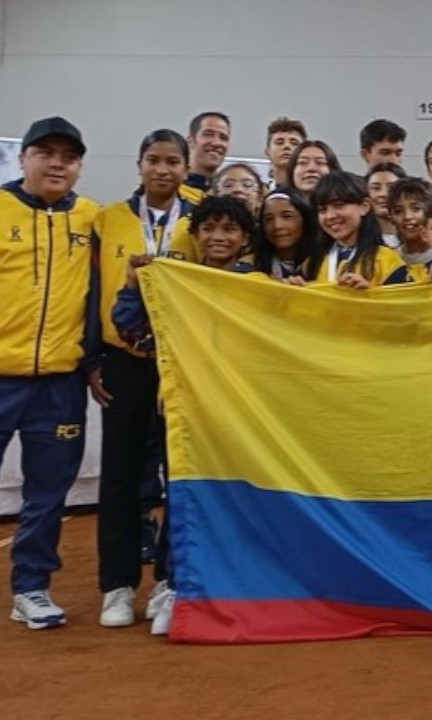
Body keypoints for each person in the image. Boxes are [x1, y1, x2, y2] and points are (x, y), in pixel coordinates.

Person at [111, 195, 256, 634]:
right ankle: (176, 583)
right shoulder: (175, 278)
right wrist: (136, 286)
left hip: (241, 412)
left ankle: (232, 584)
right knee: (184, 495)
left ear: (245, 239)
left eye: (229, 229)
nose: (218, 237)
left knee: (236, 497)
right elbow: (131, 329)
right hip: (184, 410)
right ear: (194, 236)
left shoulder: (257, 282)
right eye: (209, 228)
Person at [92, 129, 201, 631]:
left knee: (179, 474)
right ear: (138, 165)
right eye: (154, 160)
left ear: (185, 166)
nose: (163, 170)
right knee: (119, 476)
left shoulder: (200, 216)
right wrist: (92, 357)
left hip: (181, 363)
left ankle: (168, 582)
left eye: (173, 161)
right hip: (125, 362)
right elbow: (89, 289)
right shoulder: (107, 219)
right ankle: (117, 586)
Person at [1, 117, 100, 630]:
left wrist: (92, 362)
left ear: (80, 166)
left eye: (69, 155)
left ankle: (32, 588)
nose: (58, 162)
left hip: (61, 384)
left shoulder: (92, 219)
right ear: (24, 159)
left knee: (47, 493)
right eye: (47, 153)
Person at [313, 172, 410, 286]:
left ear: (364, 206)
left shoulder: (388, 261)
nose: (330, 216)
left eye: (339, 205)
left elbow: (401, 302)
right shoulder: (312, 262)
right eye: (322, 210)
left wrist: (369, 297)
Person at [250, 187, 325, 281]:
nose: (277, 226)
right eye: (269, 219)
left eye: (287, 216)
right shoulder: (250, 264)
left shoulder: (325, 262)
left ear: (306, 219)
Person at [180, 112, 230, 204]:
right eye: (208, 134)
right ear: (190, 141)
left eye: (223, 137)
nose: (217, 143)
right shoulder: (171, 190)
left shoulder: (228, 195)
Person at [388, 177, 432, 268]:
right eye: (398, 211)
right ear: (391, 219)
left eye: (416, 209)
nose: (407, 216)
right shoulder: (389, 260)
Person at [365, 162, 408, 248]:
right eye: (376, 188)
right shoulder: (357, 238)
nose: (383, 194)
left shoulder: (419, 237)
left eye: (391, 188)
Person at [264, 117, 307, 190]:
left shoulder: (315, 196)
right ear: (267, 151)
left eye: (294, 143)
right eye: (279, 142)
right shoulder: (259, 197)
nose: (287, 146)